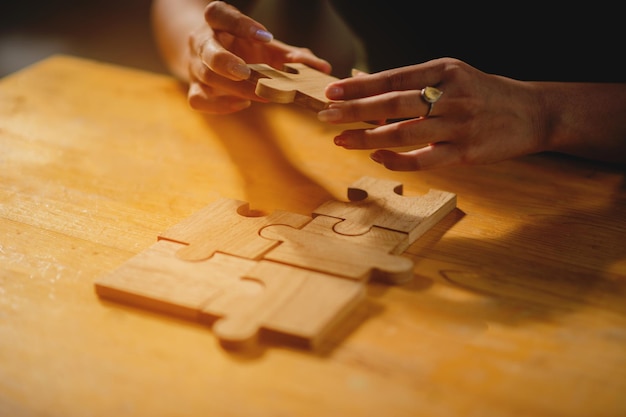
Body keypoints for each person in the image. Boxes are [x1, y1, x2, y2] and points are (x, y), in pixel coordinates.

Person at [151, 0, 626, 170]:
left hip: (592, 184)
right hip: (381, 160)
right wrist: (204, 49)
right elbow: (179, 4)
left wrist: (544, 114)